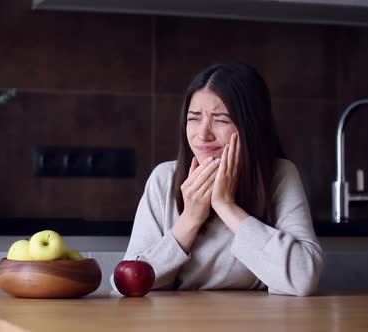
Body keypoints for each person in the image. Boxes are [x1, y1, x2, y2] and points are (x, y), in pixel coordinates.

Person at [118, 63, 324, 296]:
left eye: (221, 120)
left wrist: (226, 206)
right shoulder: (164, 179)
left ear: (250, 126)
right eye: (194, 118)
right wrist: (191, 218)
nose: (203, 134)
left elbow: (302, 279)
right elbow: (128, 284)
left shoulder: (278, 175)